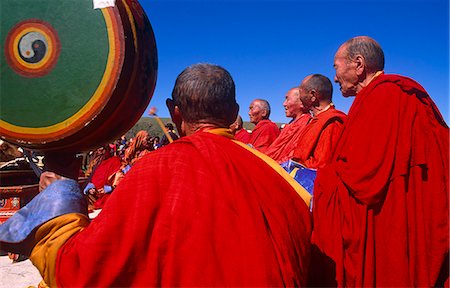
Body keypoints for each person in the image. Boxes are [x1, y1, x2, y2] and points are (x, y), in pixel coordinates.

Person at [0, 63, 312, 287]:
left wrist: (59, 200)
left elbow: (84, 271)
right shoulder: (273, 172)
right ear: (234, 114)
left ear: (173, 112)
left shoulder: (155, 170)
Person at [311, 36, 449, 287]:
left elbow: (361, 179)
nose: (335, 77)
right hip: (418, 229)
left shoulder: (383, 96)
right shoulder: (402, 95)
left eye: (336, 67)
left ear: (359, 64)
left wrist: (319, 180)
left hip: (388, 229)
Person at [291, 74, 346, 169]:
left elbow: (321, 165)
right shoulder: (317, 119)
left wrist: (292, 168)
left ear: (313, 95)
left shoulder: (331, 122)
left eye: (301, 92)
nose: (299, 97)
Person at [264, 87, 311, 163]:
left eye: (287, 99)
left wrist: (276, 165)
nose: (284, 104)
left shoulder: (307, 124)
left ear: (301, 103)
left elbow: (294, 155)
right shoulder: (291, 124)